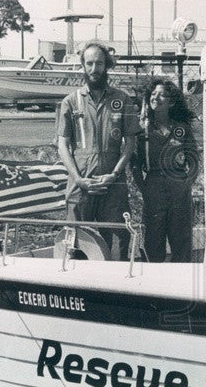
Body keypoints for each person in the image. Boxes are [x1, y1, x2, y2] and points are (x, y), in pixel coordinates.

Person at [56, 41, 139, 259]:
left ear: (107, 65)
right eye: (90, 63)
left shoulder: (122, 100)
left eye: (99, 64)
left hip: (112, 184)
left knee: (119, 241)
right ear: (83, 65)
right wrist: (78, 179)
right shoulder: (70, 102)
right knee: (75, 243)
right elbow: (63, 145)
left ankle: (118, 288)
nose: (94, 69)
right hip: (80, 184)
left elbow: (130, 143)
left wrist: (114, 175)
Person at [132, 78, 198, 262]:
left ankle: (181, 283)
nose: (156, 98)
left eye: (161, 95)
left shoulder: (181, 129)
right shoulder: (142, 130)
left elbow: (194, 160)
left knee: (181, 240)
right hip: (153, 186)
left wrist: (187, 184)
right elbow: (135, 163)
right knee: (153, 241)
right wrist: (143, 188)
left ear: (171, 101)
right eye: (153, 94)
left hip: (179, 186)